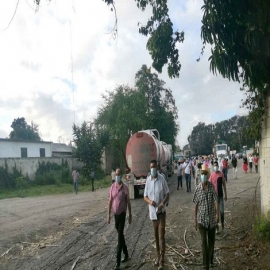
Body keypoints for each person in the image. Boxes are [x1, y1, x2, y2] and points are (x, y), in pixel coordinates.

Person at [144, 159, 170, 270]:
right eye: (151, 167)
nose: (153, 169)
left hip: (161, 213)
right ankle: (157, 256)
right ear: (149, 169)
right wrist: (150, 202)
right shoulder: (148, 181)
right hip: (153, 215)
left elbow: (167, 194)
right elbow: (145, 196)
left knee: (161, 236)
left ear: (157, 167)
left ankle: (162, 260)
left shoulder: (162, 179)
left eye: (154, 167)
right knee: (156, 237)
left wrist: (162, 203)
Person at [193, 165, 219, 270]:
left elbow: (216, 200)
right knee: (204, 243)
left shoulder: (211, 187)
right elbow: (195, 205)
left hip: (212, 220)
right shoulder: (198, 189)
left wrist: (217, 214)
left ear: (207, 175)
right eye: (202, 174)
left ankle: (211, 260)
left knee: (211, 242)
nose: (203, 175)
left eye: (205, 174)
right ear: (200, 175)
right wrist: (195, 220)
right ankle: (205, 265)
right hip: (201, 221)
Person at [107, 168, 132, 270]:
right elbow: (110, 201)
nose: (117, 176)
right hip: (115, 215)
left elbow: (128, 202)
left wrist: (130, 215)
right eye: (116, 174)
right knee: (120, 235)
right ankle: (126, 254)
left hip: (122, 214)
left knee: (119, 237)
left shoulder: (125, 188)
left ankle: (117, 262)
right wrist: (108, 215)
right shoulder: (112, 187)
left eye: (118, 174)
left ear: (121, 175)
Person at [209, 161, 228, 232]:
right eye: (214, 166)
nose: (215, 167)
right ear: (213, 167)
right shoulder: (212, 175)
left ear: (218, 166)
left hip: (220, 196)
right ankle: (217, 227)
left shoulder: (221, 174)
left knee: (221, 211)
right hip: (214, 197)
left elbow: (224, 185)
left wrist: (226, 194)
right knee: (215, 212)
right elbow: (209, 186)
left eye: (216, 165)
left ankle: (222, 223)